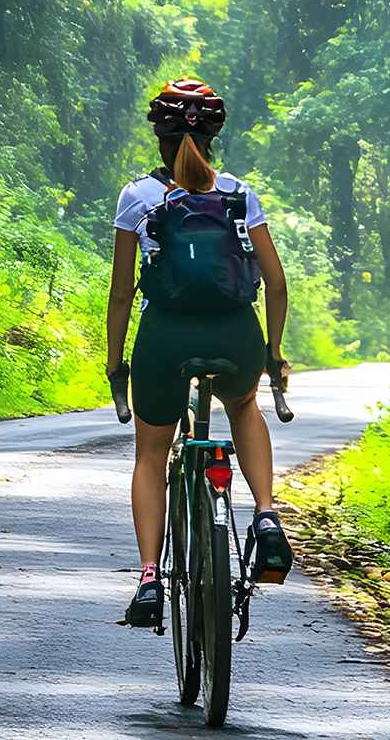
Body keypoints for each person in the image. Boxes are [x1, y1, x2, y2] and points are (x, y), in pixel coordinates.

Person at [104, 78, 294, 628]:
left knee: (151, 454)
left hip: (165, 339)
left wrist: (117, 363)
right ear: (214, 134)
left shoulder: (137, 197)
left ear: (158, 135)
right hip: (235, 334)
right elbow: (276, 284)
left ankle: (148, 579)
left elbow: (121, 293)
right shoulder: (240, 194)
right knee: (243, 409)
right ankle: (264, 516)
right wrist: (272, 353)